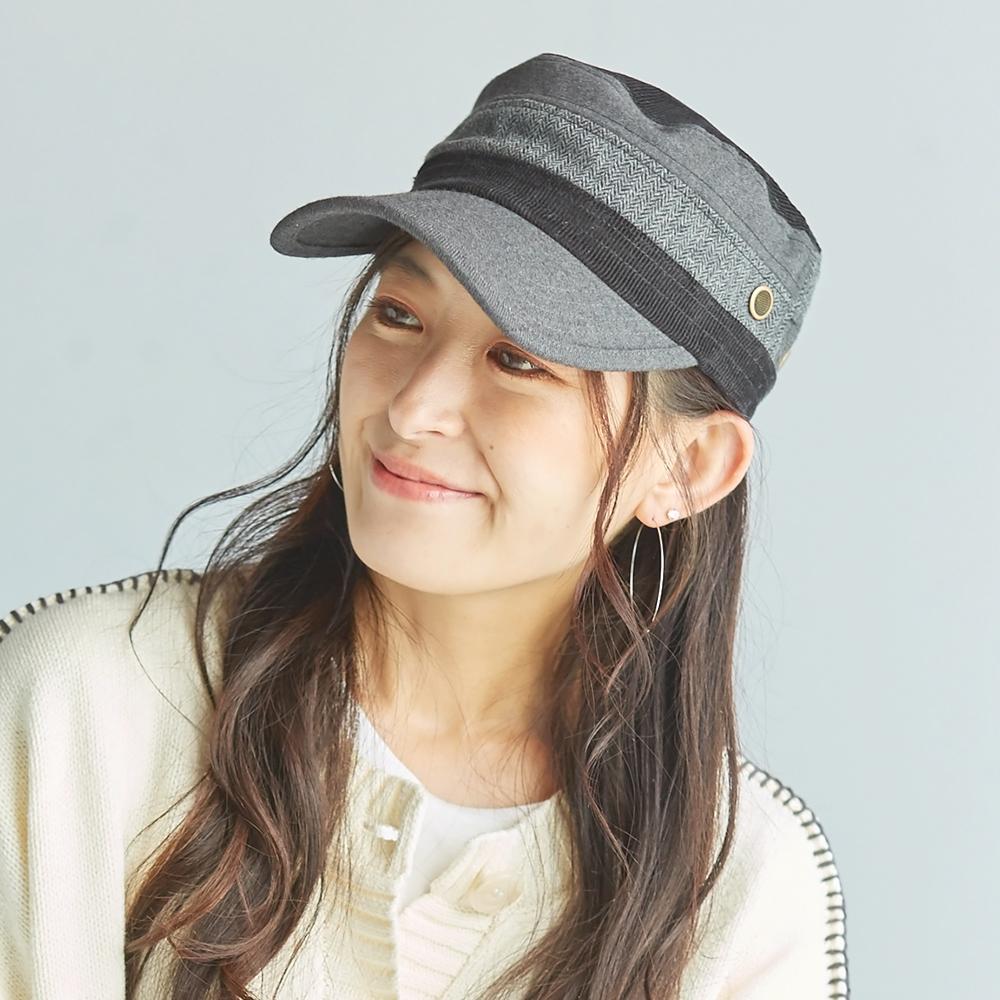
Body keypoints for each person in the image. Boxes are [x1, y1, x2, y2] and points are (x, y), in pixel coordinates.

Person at [0, 51, 849, 999]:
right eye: (399, 314)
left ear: (688, 469)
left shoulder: (741, 901)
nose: (412, 409)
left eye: (519, 360)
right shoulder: (88, 709)